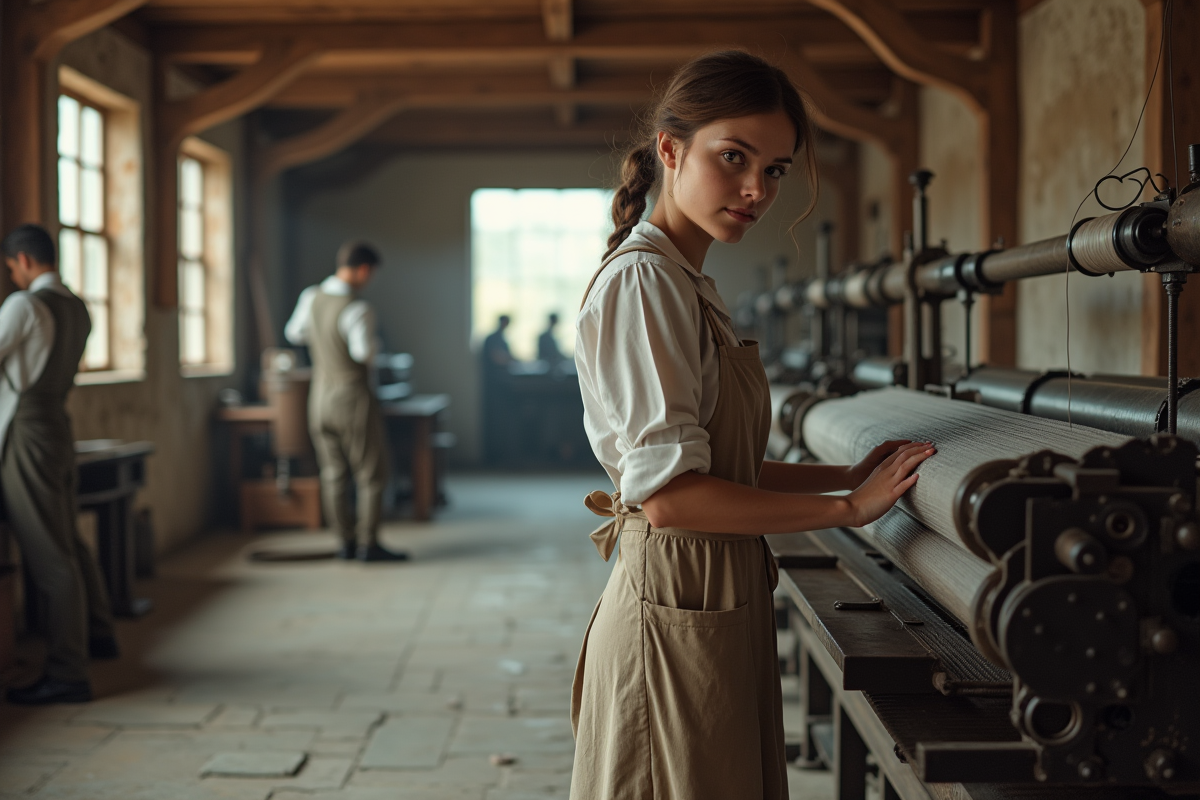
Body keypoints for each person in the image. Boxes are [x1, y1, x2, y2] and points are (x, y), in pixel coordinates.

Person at [570, 51, 935, 799]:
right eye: (732, 157)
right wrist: (848, 510)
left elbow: (720, 470)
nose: (755, 189)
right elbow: (673, 497)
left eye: (774, 169)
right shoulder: (646, 282)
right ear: (671, 150)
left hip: (710, 592)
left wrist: (852, 474)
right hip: (678, 591)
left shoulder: (687, 281)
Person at [1, 224, 118, 705]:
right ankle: (98, 634)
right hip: (58, 427)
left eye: (11, 268)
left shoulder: (24, 306)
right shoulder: (76, 306)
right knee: (68, 538)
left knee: (49, 554)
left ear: (24, 260)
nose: (12, 276)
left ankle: (68, 671)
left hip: (28, 430)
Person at [285, 240, 405, 562]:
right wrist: (377, 344)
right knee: (371, 472)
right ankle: (369, 543)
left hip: (319, 395)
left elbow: (294, 333)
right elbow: (363, 354)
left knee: (333, 473)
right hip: (351, 395)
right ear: (364, 269)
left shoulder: (311, 297)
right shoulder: (358, 308)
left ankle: (344, 541)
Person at [480, 315, 515, 465]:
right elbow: (497, 357)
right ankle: (493, 458)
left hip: (502, 386)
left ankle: (502, 454)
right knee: (494, 421)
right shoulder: (491, 339)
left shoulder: (502, 339)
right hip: (493, 387)